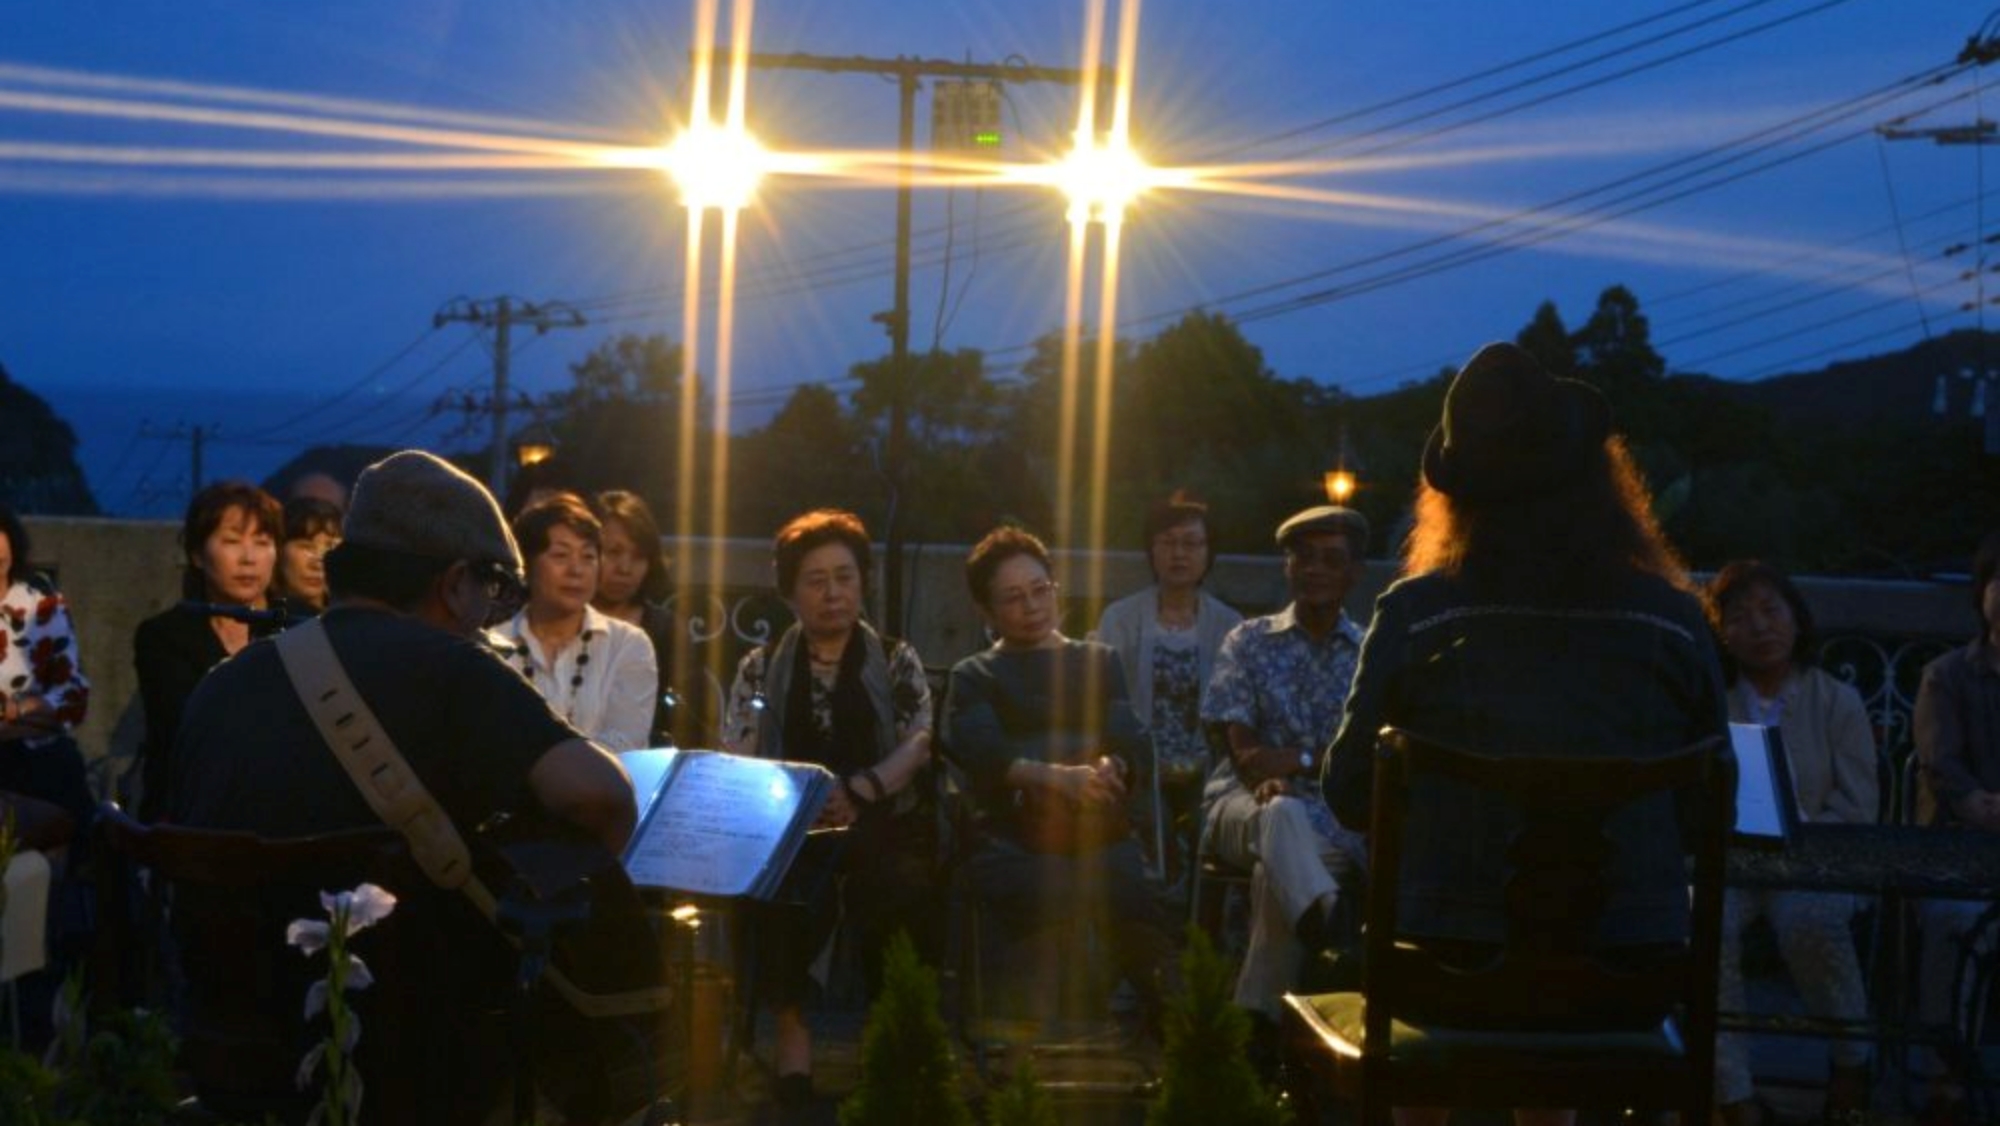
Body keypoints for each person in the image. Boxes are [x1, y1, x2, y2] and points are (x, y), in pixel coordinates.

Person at [1323, 341, 1728, 1126]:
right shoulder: (1675, 623)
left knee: (1435, 1008)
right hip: (1627, 979)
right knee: (1560, 1020)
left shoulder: (1417, 615)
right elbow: (1701, 812)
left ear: (1459, 495)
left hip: (1444, 973)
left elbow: (1347, 795)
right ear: (1600, 485)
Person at [169, 450, 638, 1123]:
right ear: (454, 583)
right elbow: (602, 797)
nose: (490, 617)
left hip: (232, 1043)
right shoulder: (455, 670)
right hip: (408, 1057)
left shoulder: (224, 685)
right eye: (494, 592)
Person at [718, 509, 935, 1118]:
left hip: (879, 810)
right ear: (790, 592)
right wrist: (796, 800)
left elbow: (920, 740)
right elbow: (738, 748)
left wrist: (863, 788)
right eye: (816, 580)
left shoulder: (895, 658)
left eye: (844, 576)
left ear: (862, 581)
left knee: (897, 884)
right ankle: (792, 1039)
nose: (833, 592)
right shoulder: (760, 666)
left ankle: (884, 1035)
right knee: (781, 887)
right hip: (790, 814)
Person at [944, 526, 1176, 1034]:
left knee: (1130, 886)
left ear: (1056, 589)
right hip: (1011, 831)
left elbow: (1127, 738)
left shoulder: (1098, 660)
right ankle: (1038, 1031)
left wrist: (1112, 768)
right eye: (1012, 597)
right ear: (987, 612)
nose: (1031, 606)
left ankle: (1175, 1026)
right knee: (1039, 885)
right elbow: (984, 754)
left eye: (1039, 589)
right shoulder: (975, 674)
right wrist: (1056, 779)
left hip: (1096, 824)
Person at [1706, 561, 1876, 1126]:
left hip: (1814, 863)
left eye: (1771, 611)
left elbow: (1858, 807)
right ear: (1722, 631)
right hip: (1732, 861)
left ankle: (1852, 1063)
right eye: (1741, 616)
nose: (1759, 627)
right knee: (1704, 922)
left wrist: (1796, 824)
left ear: (1796, 620)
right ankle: (1731, 1094)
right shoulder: (1711, 703)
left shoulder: (1836, 701)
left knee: (1810, 921)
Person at [1199, 504, 1371, 1026]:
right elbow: (1245, 753)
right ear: (1287, 567)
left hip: (1334, 827)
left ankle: (1258, 1025)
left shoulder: (1366, 652)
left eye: (1330, 559)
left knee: (1273, 877)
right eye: (1303, 557)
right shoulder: (1248, 641)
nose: (1315, 569)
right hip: (1242, 805)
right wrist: (1302, 764)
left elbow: (1360, 756)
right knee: (1280, 815)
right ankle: (1335, 933)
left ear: (1353, 573)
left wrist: (1292, 760)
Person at [1094, 492, 1242, 889]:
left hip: (1206, 763)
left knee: (1212, 832)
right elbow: (1102, 697)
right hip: (1140, 762)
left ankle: (1205, 933)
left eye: (1192, 543)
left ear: (1209, 553)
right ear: (1151, 551)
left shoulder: (1229, 624)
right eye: (1168, 542)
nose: (1180, 553)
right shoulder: (1121, 618)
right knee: (1148, 831)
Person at [1909, 529, 2000, 1126]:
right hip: (1962, 850)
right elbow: (1947, 775)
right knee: (1952, 919)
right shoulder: (1948, 675)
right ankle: (1945, 1072)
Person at [133, 480, 281, 820]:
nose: (248, 558)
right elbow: (181, 729)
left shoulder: (297, 624)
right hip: (191, 807)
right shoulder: (164, 635)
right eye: (231, 541)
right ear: (198, 554)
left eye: (263, 542)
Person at [492, 494, 658, 752]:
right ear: (526, 565)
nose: (576, 570)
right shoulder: (493, 648)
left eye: (588, 557)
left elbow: (625, 745)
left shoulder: (629, 645)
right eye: (561, 555)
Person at [0, 504, 93, 827]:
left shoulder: (42, 608)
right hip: (28, 736)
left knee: (62, 768)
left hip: (37, 751)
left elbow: (73, 698)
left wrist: (15, 710)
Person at [591, 490, 678, 746]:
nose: (625, 569)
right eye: (613, 552)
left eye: (638, 557)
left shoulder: (666, 631)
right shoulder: (561, 621)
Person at [273, 495, 343, 616]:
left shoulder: (350, 619)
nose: (318, 563)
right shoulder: (264, 620)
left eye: (331, 546)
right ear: (278, 550)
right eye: (306, 546)